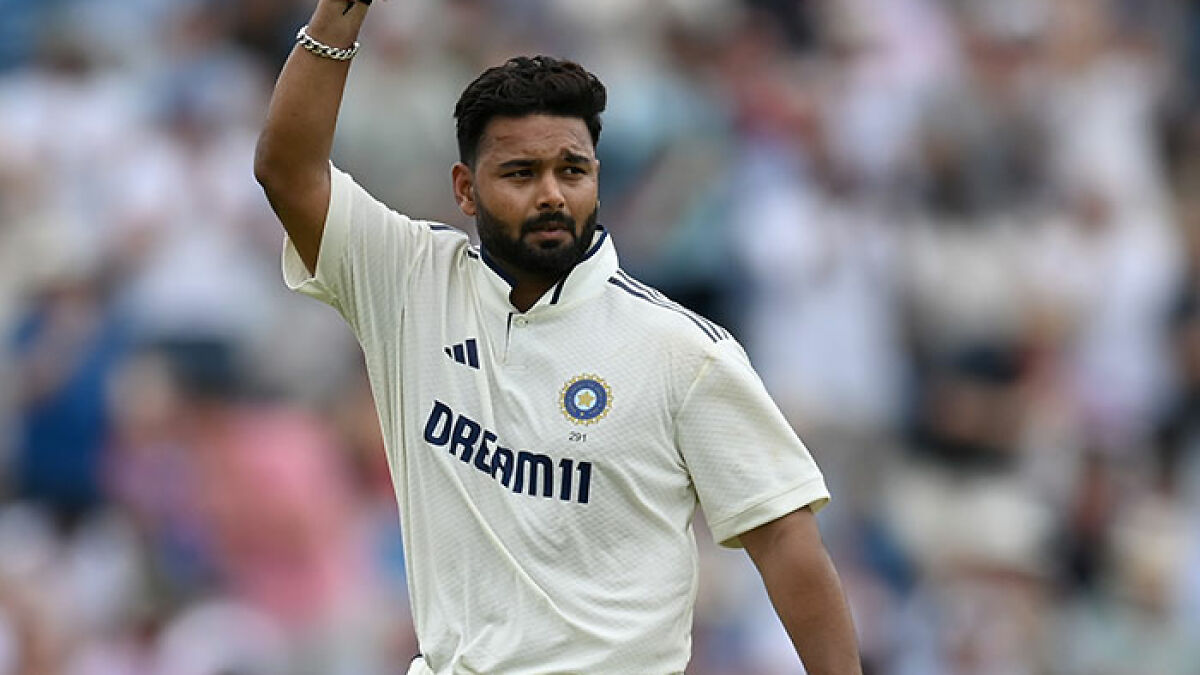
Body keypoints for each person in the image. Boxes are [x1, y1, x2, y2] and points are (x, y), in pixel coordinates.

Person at [254, 1, 862, 672]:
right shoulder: (408, 282)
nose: (551, 194)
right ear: (465, 188)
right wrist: (342, 14)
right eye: (521, 173)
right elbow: (287, 171)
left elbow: (785, 538)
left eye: (571, 170)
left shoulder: (681, 350)